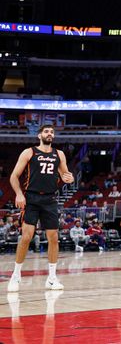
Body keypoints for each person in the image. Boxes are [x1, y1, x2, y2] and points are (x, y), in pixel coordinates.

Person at [7, 124, 74, 292]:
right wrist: (19, 194)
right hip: (31, 198)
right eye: (46, 131)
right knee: (26, 237)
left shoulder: (59, 154)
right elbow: (14, 176)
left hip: (50, 199)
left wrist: (70, 178)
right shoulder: (29, 152)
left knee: (53, 238)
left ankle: (51, 278)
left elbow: (66, 176)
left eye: (52, 132)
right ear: (39, 135)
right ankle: (16, 276)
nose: (49, 134)